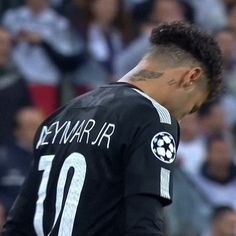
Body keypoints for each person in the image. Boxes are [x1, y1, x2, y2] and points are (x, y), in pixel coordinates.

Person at [1, 21, 223, 236]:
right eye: (191, 106)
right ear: (191, 76)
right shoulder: (154, 118)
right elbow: (143, 222)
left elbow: (18, 223)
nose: (182, 117)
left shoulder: (59, 116)